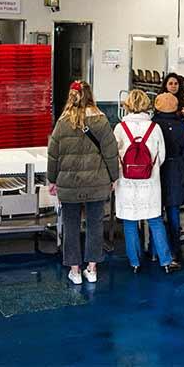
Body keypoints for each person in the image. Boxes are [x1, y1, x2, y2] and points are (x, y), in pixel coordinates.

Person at [47, 81, 119, 285]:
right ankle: (92, 268)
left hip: (69, 184)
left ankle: (75, 270)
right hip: (96, 183)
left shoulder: (62, 122)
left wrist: (52, 180)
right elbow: (111, 153)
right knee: (95, 225)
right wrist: (113, 177)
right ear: (90, 96)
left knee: (70, 225)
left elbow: (53, 156)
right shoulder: (102, 121)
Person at [114, 89, 181, 274]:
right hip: (150, 181)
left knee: (129, 222)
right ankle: (166, 261)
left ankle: (135, 262)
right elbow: (162, 156)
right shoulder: (154, 128)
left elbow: (114, 155)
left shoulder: (120, 128)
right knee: (155, 220)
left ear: (127, 105)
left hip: (126, 182)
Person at [152, 92, 184, 254]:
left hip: (157, 171)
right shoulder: (183, 127)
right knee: (174, 211)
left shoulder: (153, 125)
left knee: (156, 213)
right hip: (177, 171)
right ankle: (175, 249)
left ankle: (156, 250)